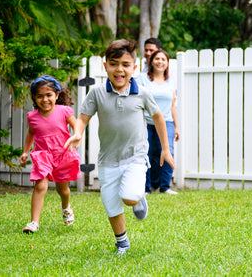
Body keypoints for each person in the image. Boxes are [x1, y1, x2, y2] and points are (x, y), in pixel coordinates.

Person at [64, 39, 175, 254]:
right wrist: (77, 133)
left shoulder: (141, 92)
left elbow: (159, 117)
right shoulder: (96, 93)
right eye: (114, 64)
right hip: (108, 160)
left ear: (134, 68)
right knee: (111, 204)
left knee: (129, 196)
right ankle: (122, 242)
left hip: (135, 157)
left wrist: (165, 148)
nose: (119, 70)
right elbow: (83, 118)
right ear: (105, 66)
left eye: (125, 64)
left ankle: (139, 199)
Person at [20, 75, 81, 234]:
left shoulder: (64, 111)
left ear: (57, 95)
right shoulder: (32, 117)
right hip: (43, 155)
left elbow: (77, 127)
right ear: (34, 97)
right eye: (40, 96)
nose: (45, 99)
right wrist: (26, 152)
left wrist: (77, 138)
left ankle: (66, 206)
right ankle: (34, 222)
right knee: (40, 186)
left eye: (49, 95)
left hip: (62, 155)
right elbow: (31, 134)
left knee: (63, 190)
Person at [137, 49, 180, 194]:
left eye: (163, 59)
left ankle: (165, 187)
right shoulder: (143, 79)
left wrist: (177, 127)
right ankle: (146, 188)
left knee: (168, 152)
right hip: (147, 122)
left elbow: (172, 106)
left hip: (166, 122)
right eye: (157, 59)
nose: (160, 62)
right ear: (151, 61)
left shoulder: (170, 82)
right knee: (146, 154)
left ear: (167, 63)